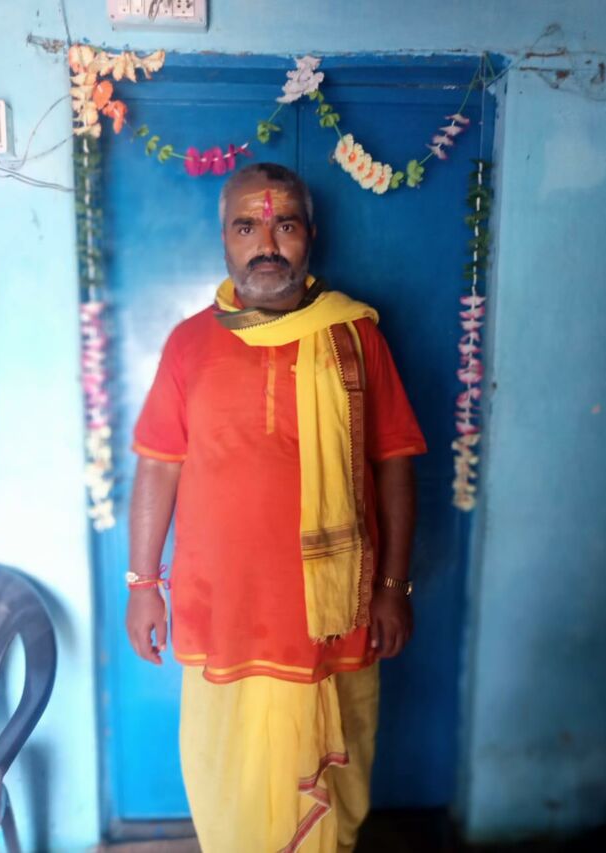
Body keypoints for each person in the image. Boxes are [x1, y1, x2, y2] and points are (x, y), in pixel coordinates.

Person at [125, 162, 426, 853]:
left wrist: (393, 587)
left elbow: (395, 467)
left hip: (333, 613)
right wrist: (143, 586)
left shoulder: (357, 337)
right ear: (225, 240)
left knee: (334, 785)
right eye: (247, 227)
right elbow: (158, 467)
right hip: (223, 611)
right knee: (230, 780)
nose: (267, 244)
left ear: (310, 234)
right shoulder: (189, 343)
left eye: (284, 225)